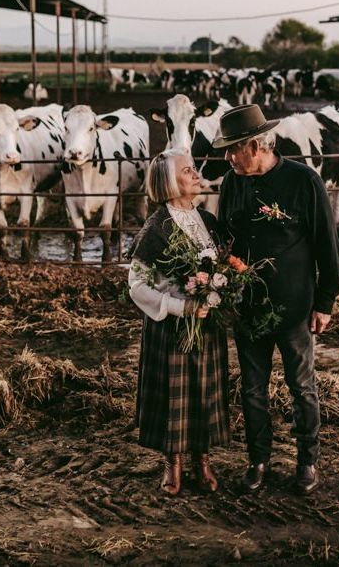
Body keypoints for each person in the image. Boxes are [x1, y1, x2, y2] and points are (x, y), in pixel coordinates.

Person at [213, 104, 339, 495]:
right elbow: (223, 242)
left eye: (233, 149)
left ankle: (307, 461)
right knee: (252, 389)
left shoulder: (304, 182)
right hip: (247, 308)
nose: (228, 158)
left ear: (256, 145)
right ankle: (258, 460)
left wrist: (325, 302)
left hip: (295, 307)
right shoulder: (231, 184)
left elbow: (327, 246)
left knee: (301, 386)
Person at [127, 148, 230, 496]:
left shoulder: (208, 222)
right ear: (171, 183)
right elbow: (136, 287)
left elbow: (220, 270)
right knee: (174, 395)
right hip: (171, 327)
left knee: (204, 392)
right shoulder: (156, 229)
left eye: (194, 168)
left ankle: (202, 459)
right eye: (188, 171)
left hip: (207, 326)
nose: (197, 175)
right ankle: (172, 462)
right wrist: (178, 307)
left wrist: (217, 292)